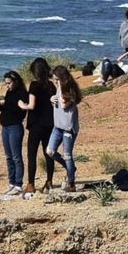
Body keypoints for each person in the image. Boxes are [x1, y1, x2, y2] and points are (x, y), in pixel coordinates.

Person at [0, 71, 27, 199]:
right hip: (5, 127)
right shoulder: (10, 92)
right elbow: (7, 108)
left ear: (16, 81)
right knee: (8, 157)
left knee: (16, 157)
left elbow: (20, 110)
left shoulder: (22, 93)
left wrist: (5, 103)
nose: (7, 86)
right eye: (6, 83)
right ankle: (11, 183)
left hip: (15, 127)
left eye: (9, 83)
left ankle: (18, 185)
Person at [21, 57, 54, 197]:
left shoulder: (34, 85)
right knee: (49, 154)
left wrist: (22, 105)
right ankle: (49, 181)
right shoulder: (51, 85)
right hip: (50, 123)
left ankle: (30, 184)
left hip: (36, 124)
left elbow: (31, 105)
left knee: (32, 154)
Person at [48, 64, 82, 192]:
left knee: (67, 154)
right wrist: (52, 98)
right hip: (57, 126)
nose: (55, 82)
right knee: (50, 151)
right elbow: (56, 101)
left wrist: (61, 91)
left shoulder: (69, 90)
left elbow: (64, 105)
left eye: (57, 79)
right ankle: (70, 168)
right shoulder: (59, 88)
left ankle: (71, 182)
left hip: (68, 128)